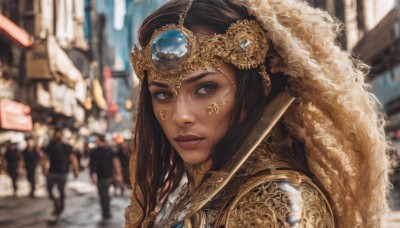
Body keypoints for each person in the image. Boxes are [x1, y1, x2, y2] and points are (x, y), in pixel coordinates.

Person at [125, 0, 390, 227]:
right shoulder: (202, 187)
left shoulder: (278, 201)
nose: (180, 116)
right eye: (163, 95)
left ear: (257, 87)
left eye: (206, 88)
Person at [42, 128, 79, 224]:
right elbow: (44, 158)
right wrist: (44, 169)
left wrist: (75, 170)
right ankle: (56, 203)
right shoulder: (50, 146)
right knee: (50, 190)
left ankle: (59, 208)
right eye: (55, 134)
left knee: (61, 191)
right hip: (52, 172)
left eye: (59, 134)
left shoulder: (66, 147)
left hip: (63, 173)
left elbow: (73, 159)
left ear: (61, 135)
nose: (57, 136)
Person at [90, 135, 122, 219]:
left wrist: (118, 174)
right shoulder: (94, 152)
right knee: (101, 194)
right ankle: (104, 210)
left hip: (108, 176)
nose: (101, 143)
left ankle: (107, 211)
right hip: (99, 176)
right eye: (99, 141)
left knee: (105, 194)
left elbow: (115, 162)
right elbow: (92, 164)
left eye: (102, 141)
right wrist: (92, 174)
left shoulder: (109, 151)